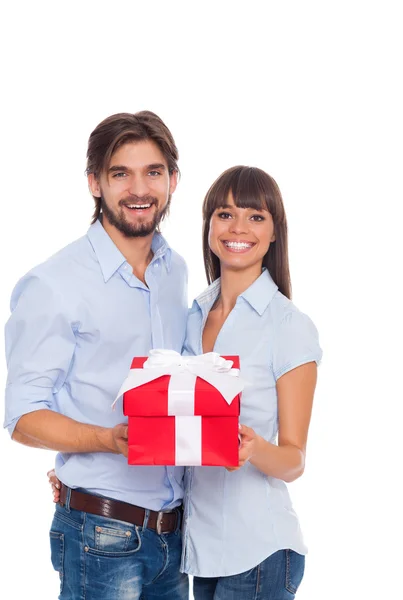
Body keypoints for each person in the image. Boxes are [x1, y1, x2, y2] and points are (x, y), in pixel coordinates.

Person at [48, 164, 322, 599]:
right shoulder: (192, 316)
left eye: (256, 217)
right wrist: (86, 473)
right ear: (209, 224)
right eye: (225, 214)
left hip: (258, 551)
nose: (238, 228)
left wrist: (254, 449)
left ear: (274, 233)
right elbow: (172, 421)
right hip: (195, 550)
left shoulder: (289, 326)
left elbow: (295, 460)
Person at [4, 111, 190, 600]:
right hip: (101, 534)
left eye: (153, 171)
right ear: (94, 183)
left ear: (172, 180)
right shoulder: (55, 284)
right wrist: (104, 441)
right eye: (119, 173)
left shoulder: (176, 271)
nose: (139, 188)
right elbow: (23, 417)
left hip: (178, 534)